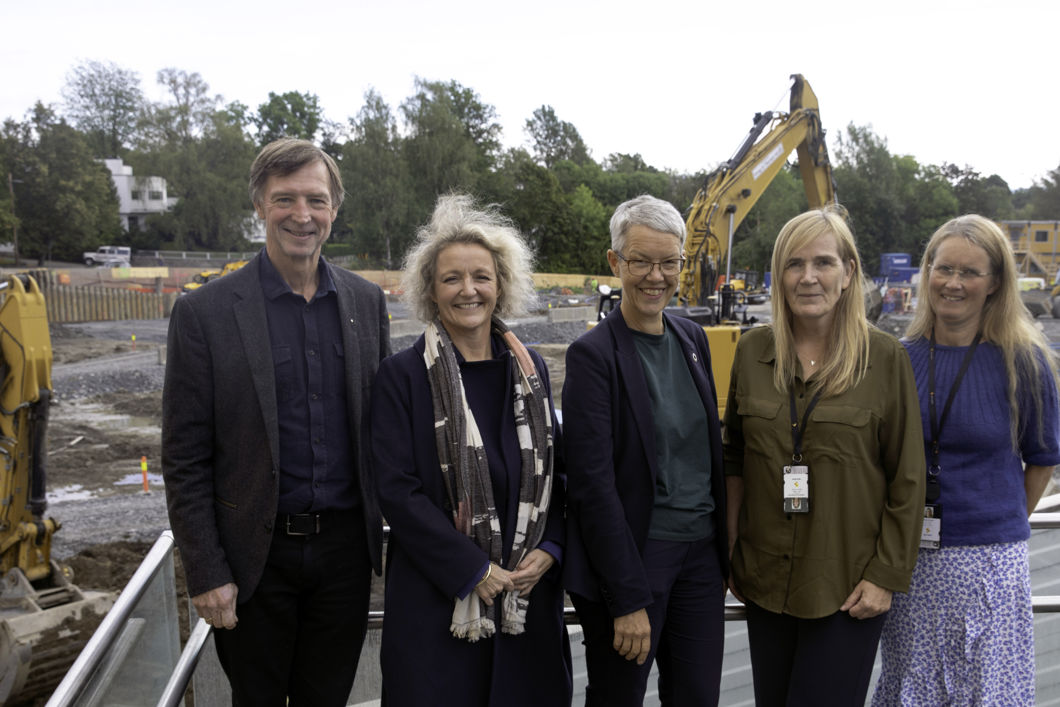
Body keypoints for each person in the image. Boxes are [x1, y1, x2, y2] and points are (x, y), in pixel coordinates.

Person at [161, 137, 390, 705]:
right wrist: (206, 572)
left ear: (334, 209)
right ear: (260, 206)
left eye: (316, 199)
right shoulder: (204, 313)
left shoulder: (366, 303)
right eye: (284, 198)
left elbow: (385, 430)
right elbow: (184, 458)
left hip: (344, 559)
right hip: (252, 563)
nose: (301, 215)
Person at [370, 194, 571, 706]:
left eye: (481, 276)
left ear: (500, 285)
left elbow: (560, 475)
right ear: (430, 291)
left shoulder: (531, 370)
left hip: (525, 600)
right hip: (439, 609)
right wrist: (473, 569)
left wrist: (551, 549)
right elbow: (397, 491)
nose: (468, 290)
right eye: (451, 278)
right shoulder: (401, 377)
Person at [723, 205, 925, 706]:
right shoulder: (751, 352)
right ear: (778, 275)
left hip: (847, 587)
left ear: (848, 272)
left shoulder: (885, 358)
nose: (808, 277)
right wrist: (731, 552)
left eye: (823, 262)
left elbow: (907, 477)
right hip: (764, 580)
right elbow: (734, 459)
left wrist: (884, 577)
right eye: (794, 264)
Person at [873, 215, 1060, 705]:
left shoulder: (1024, 361)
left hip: (991, 566)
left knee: (987, 691)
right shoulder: (897, 358)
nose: (953, 283)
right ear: (927, 271)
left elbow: (1042, 459)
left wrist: (996, 524)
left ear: (995, 282)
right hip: (911, 563)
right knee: (913, 686)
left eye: (970, 272)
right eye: (944, 268)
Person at [563, 194, 728, 706]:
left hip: (700, 558)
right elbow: (592, 486)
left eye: (669, 262)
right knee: (619, 696)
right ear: (615, 262)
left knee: (697, 696)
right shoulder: (593, 356)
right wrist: (627, 597)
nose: (656, 276)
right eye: (641, 262)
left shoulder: (692, 339)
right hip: (637, 557)